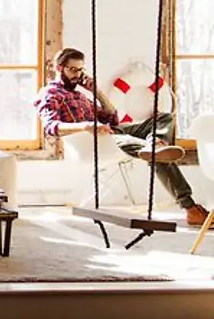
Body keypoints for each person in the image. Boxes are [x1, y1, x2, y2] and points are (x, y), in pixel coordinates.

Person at [35, 47, 208, 226]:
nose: (77, 75)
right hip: (93, 142)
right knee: (154, 153)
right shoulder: (50, 93)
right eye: (72, 70)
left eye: (80, 70)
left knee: (163, 118)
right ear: (59, 68)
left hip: (111, 132)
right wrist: (86, 126)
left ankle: (155, 143)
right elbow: (51, 127)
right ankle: (190, 207)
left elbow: (112, 118)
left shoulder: (80, 96)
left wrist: (97, 92)